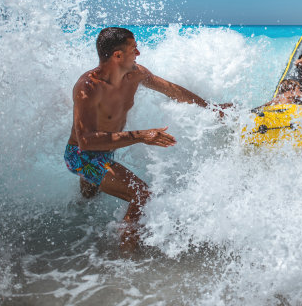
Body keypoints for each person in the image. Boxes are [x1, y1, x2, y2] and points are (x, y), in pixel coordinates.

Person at [64, 27, 231, 251]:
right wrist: (142, 135)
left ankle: (73, 223)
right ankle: (127, 262)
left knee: (88, 199)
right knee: (141, 194)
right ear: (117, 55)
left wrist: (211, 108)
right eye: (134, 48)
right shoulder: (88, 87)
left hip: (106, 152)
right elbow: (86, 141)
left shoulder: (135, 73)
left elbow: (172, 90)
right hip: (81, 155)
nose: (138, 53)